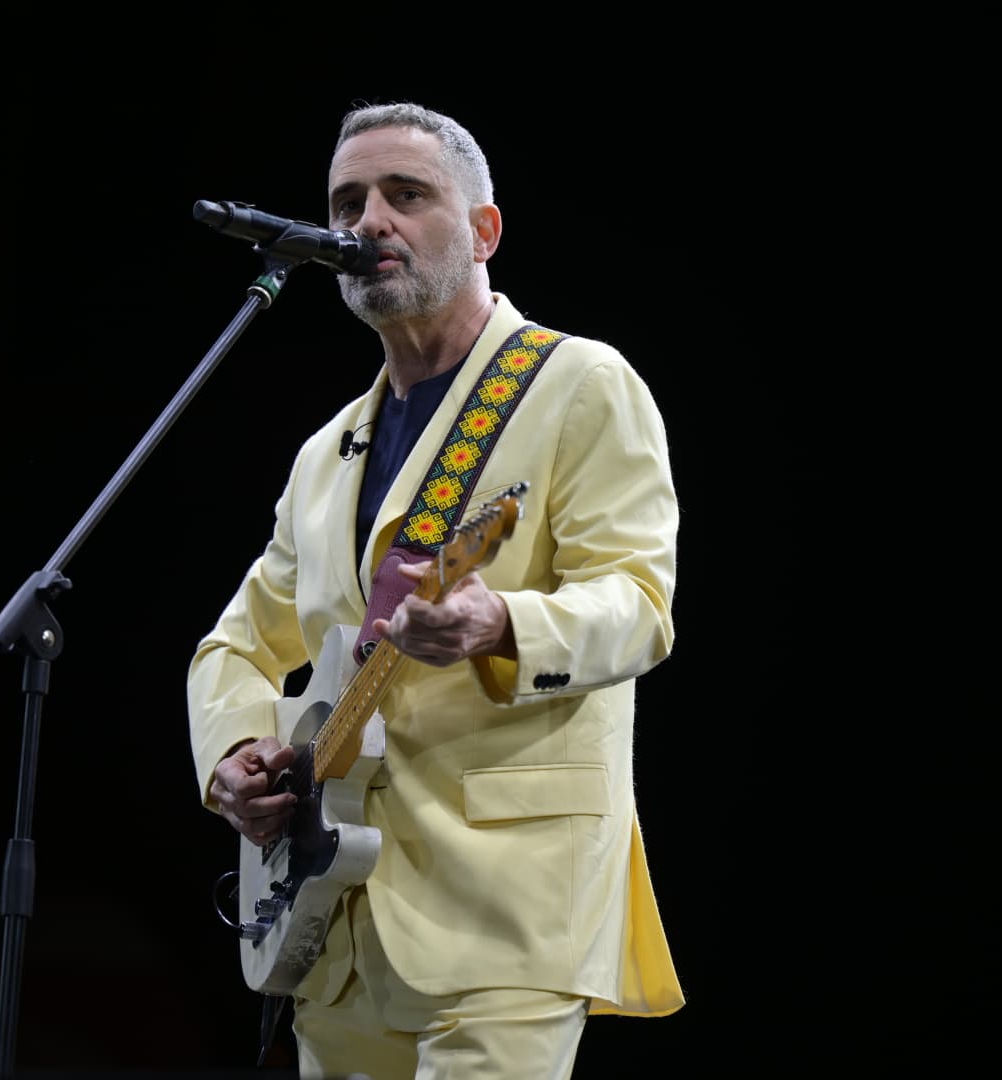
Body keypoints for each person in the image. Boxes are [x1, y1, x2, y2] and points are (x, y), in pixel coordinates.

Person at [186, 101, 683, 1079]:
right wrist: (236, 753)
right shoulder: (326, 454)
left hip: (508, 909)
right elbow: (234, 646)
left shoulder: (580, 383)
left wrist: (503, 622)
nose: (368, 220)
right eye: (347, 203)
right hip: (334, 924)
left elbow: (637, 604)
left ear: (484, 229)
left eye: (406, 195)